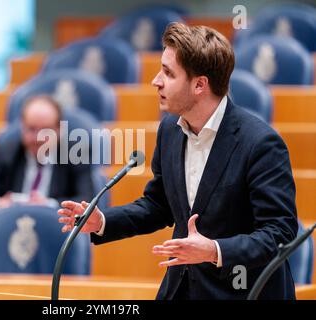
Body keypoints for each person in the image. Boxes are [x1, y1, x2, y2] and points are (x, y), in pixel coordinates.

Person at [58, 22, 298, 300]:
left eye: (168, 73)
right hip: (182, 289)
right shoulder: (171, 130)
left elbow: (279, 232)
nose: (155, 81)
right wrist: (102, 221)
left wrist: (214, 250)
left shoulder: (260, 143)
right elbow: (158, 205)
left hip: (240, 291)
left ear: (199, 85)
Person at [0, 95, 95, 217]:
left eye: (46, 130)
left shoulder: (76, 153)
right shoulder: (7, 151)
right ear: (22, 127)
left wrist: (50, 206)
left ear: (59, 130)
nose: (38, 138)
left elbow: (87, 202)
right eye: (32, 129)